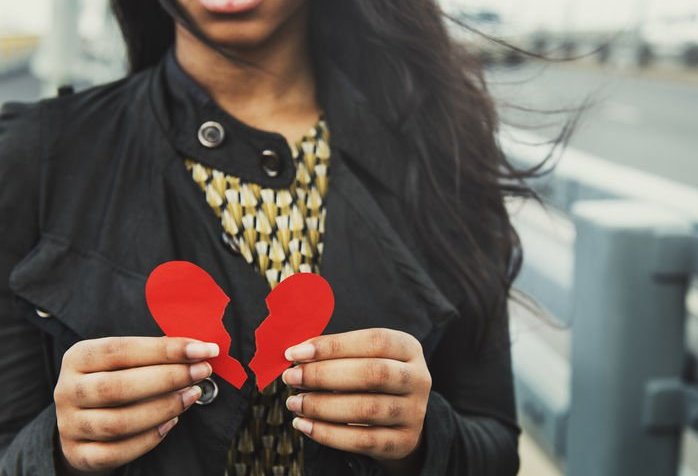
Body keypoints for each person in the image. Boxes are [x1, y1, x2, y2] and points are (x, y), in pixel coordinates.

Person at [0, 0, 533, 474]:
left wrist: (422, 439)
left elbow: (493, 444)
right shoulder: (34, 159)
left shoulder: (444, 153)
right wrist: (59, 449)